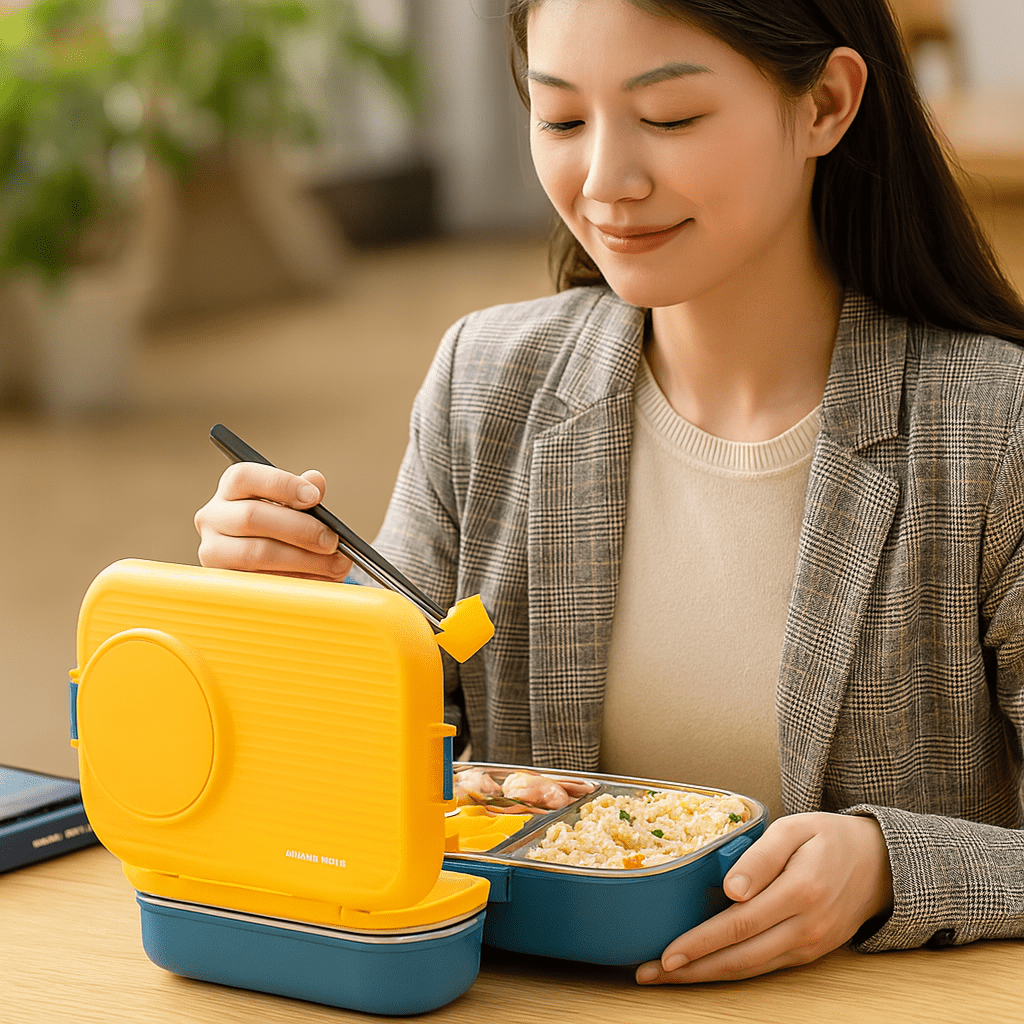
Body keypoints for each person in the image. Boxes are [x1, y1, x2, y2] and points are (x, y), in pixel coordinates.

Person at [194, 0, 1024, 988]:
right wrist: (280, 620)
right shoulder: (486, 383)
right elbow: (344, 783)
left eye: (668, 120)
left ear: (827, 105)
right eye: (560, 121)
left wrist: (893, 865)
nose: (603, 183)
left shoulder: (989, 423)